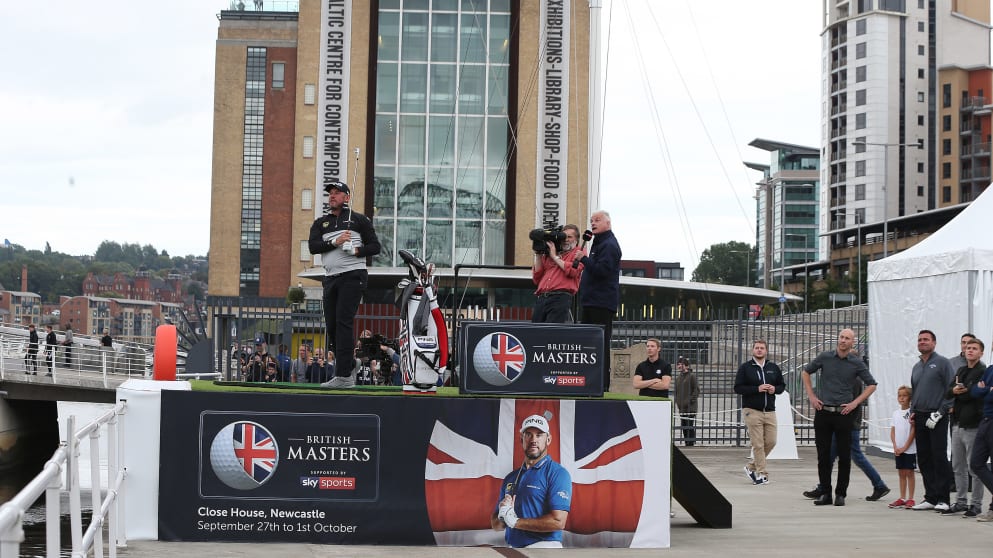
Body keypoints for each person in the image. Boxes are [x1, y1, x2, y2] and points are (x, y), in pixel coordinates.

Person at [308, 180, 381, 388]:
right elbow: (313, 247)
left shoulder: (358, 220)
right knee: (332, 326)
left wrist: (356, 250)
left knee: (343, 322)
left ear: (346, 197)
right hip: (331, 278)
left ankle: (344, 377)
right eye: (330, 193)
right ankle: (350, 363)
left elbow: (375, 247)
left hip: (353, 275)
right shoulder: (320, 223)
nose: (332, 196)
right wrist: (335, 242)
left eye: (337, 193)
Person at [802, 328, 877, 506]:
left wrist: (855, 403)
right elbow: (806, 372)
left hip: (844, 414)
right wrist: (812, 396)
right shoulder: (825, 357)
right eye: (841, 337)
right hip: (823, 411)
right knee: (823, 456)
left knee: (844, 455)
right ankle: (825, 492)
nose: (843, 341)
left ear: (852, 342)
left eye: (847, 338)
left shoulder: (856, 363)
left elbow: (872, 384)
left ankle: (840, 493)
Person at [491, 414, 572, 548]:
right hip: (514, 548)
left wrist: (515, 522)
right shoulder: (511, 478)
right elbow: (496, 525)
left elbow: (558, 521)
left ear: (548, 439)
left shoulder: (557, 473)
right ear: (521, 439)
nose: (533, 440)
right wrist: (503, 514)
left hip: (544, 547)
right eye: (528, 434)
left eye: (539, 435)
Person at [908, 329, 955, 511]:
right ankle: (931, 497)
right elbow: (915, 391)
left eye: (926, 339)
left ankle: (943, 499)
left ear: (934, 343)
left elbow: (951, 390)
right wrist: (912, 411)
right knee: (924, 458)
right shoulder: (917, 366)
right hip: (919, 416)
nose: (922, 342)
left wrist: (941, 412)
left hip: (937, 416)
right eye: (920, 340)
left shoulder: (942, 363)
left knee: (938, 456)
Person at [576, 210, 621, 392]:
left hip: (601, 303)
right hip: (589, 301)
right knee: (588, 344)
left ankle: (602, 384)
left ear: (608, 223)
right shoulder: (597, 242)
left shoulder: (609, 245)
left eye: (597, 220)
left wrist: (584, 259)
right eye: (591, 220)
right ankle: (588, 380)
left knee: (600, 343)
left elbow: (603, 271)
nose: (593, 223)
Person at [945, 337, 987, 516]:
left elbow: (976, 394)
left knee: (974, 467)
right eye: (968, 347)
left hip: (973, 425)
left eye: (974, 348)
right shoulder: (961, 370)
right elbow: (948, 391)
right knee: (957, 465)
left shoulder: (983, 371)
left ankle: (976, 504)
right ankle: (961, 501)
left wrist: (960, 393)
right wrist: (955, 391)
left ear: (981, 352)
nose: (970, 350)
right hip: (957, 423)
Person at [735, 339, 785, 485]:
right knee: (758, 444)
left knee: (771, 441)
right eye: (756, 348)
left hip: (769, 411)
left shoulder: (773, 367)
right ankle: (762, 474)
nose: (759, 350)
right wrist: (757, 389)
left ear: (766, 351)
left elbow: (781, 386)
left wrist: (774, 389)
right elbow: (738, 388)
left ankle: (750, 466)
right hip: (752, 410)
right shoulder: (745, 368)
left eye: (762, 348)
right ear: (752, 350)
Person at [531, 224, 584, 323]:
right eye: (563, 236)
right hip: (542, 297)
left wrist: (555, 257)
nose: (565, 239)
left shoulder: (579, 252)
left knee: (551, 333)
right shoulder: (553, 251)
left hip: (560, 297)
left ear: (576, 240)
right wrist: (538, 254)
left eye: (569, 237)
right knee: (535, 332)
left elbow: (573, 271)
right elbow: (537, 278)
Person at [968, 354, 993, 521]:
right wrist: (986, 390)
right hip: (985, 420)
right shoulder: (990, 369)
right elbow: (974, 392)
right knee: (976, 463)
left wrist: (984, 390)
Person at [889, 385, 918, 509]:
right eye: (899, 396)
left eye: (904, 396)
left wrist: (905, 447)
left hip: (909, 449)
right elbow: (893, 431)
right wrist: (895, 446)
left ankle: (911, 498)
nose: (901, 398)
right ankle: (902, 497)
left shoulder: (911, 412)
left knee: (909, 472)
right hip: (898, 448)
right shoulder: (896, 413)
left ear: (910, 398)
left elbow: (913, 430)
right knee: (901, 473)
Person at [675, 357, 700, 446]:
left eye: (681, 364)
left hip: (690, 406)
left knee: (689, 425)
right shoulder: (678, 377)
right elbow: (677, 392)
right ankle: (687, 443)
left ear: (686, 365)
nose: (679, 366)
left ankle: (690, 443)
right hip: (681, 407)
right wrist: (678, 402)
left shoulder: (692, 376)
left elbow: (696, 390)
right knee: (684, 426)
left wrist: (690, 401)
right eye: (678, 364)